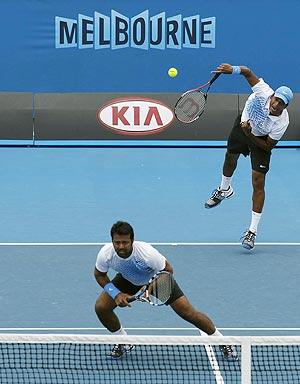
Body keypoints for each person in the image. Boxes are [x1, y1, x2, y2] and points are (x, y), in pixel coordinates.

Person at [94, 220, 237, 360]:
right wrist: (116, 294)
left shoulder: (146, 253)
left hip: (157, 279)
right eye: (117, 242)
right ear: (112, 241)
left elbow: (168, 270)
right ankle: (123, 341)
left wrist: (150, 288)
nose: (121, 246)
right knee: (101, 307)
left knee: (188, 313)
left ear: (132, 240)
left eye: (125, 242)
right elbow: (99, 274)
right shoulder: (106, 254)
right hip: (127, 280)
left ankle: (223, 341)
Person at [205, 63, 293, 250]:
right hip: (244, 126)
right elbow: (247, 72)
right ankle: (224, 189)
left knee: (258, 182)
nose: (276, 104)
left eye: (281, 104)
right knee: (230, 156)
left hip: (260, 138)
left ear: (286, 107)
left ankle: (252, 232)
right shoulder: (263, 92)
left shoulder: (282, 122)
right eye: (276, 99)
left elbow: (268, 147)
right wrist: (232, 69)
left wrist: (250, 134)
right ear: (272, 95)